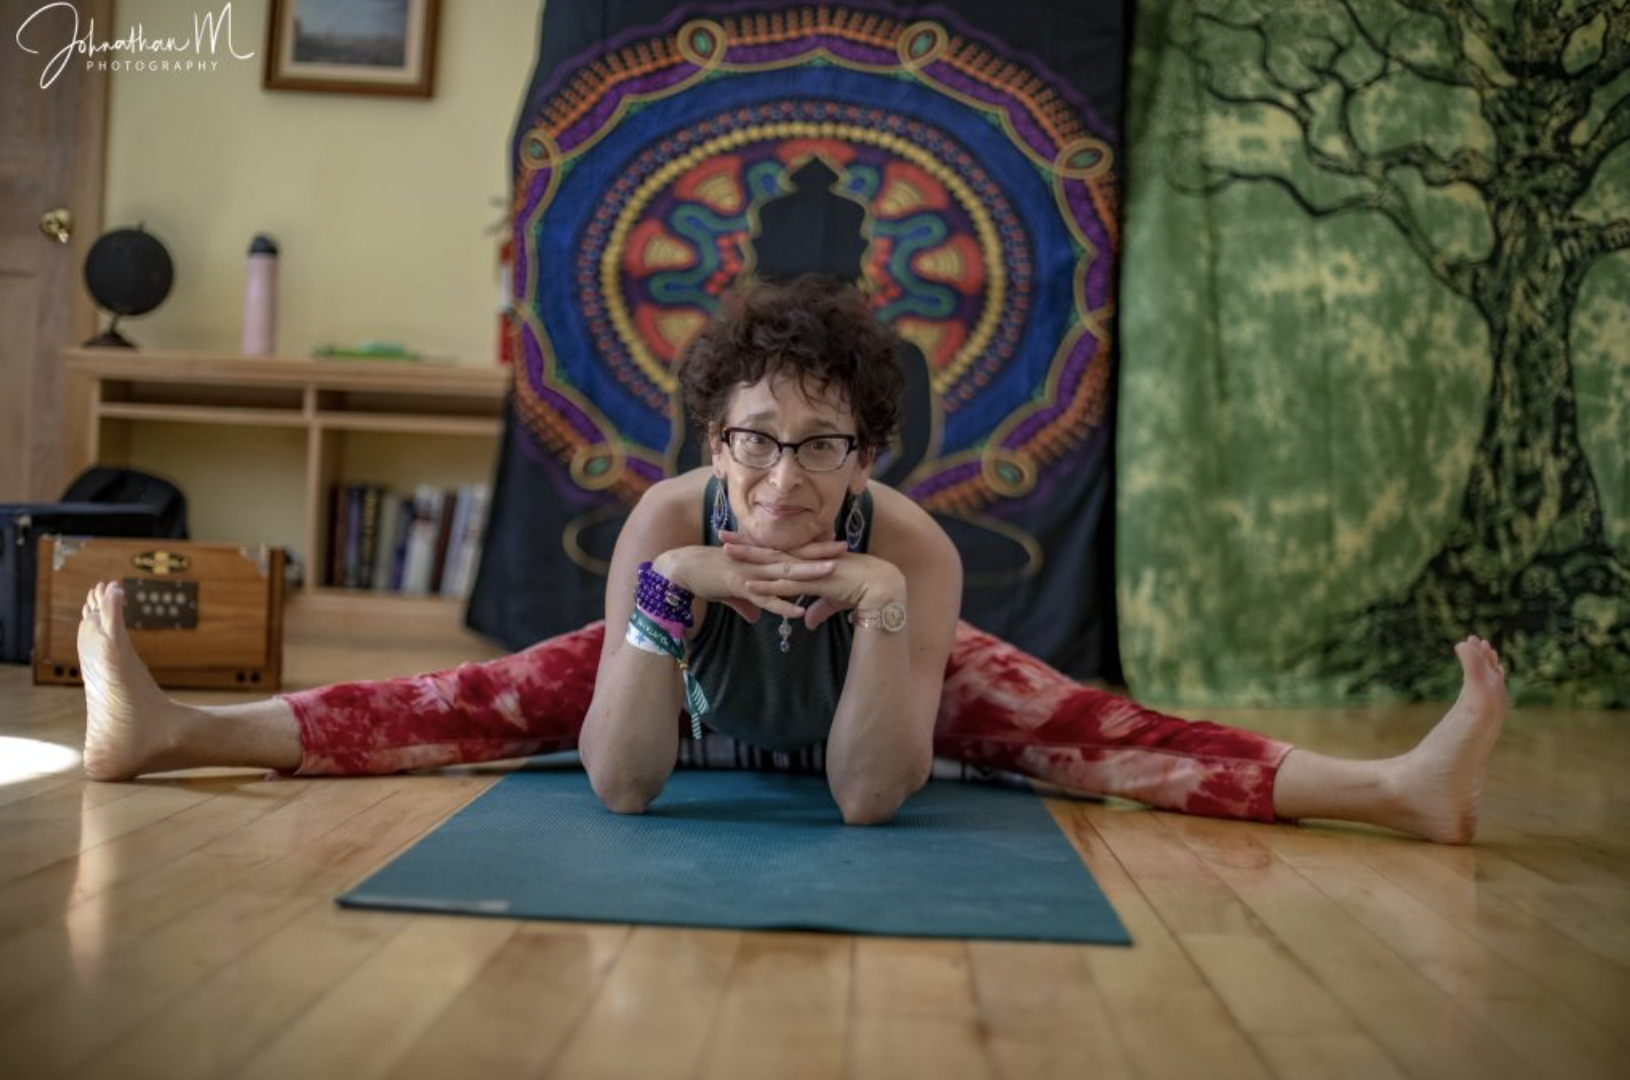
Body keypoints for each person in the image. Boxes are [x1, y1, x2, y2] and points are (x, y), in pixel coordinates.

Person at [75, 276, 1507, 842]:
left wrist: (878, 605)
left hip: (875, 663)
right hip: (676, 643)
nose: (780, 479)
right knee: (470, 697)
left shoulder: (910, 549)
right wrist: (663, 602)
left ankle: (1393, 789)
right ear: (714, 437)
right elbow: (623, 787)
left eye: (823, 445)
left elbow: (869, 799)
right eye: (754, 441)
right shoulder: (664, 523)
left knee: (1093, 729)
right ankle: (173, 731)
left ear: (867, 459)